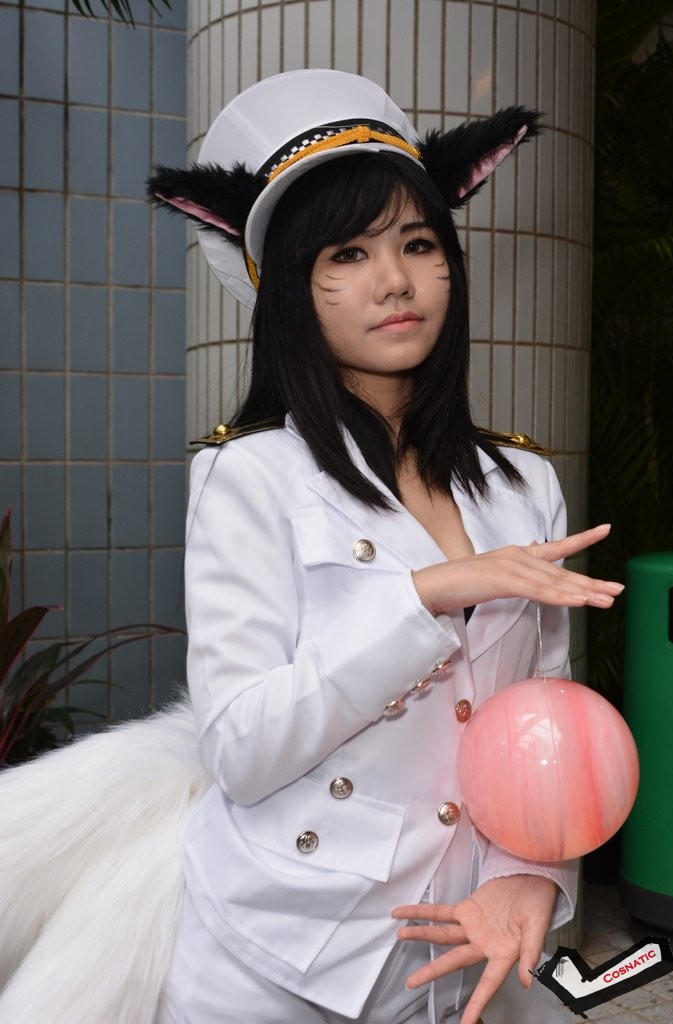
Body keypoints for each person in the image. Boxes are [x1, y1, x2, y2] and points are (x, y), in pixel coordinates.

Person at [144, 70, 624, 1024]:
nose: (394, 281)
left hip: (467, 941)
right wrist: (424, 594)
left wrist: (531, 871)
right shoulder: (248, 475)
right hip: (278, 956)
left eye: (417, 244)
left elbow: (544, 717)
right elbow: (240, 748)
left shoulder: (523, 483)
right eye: (348, 254)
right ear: (290, 289)